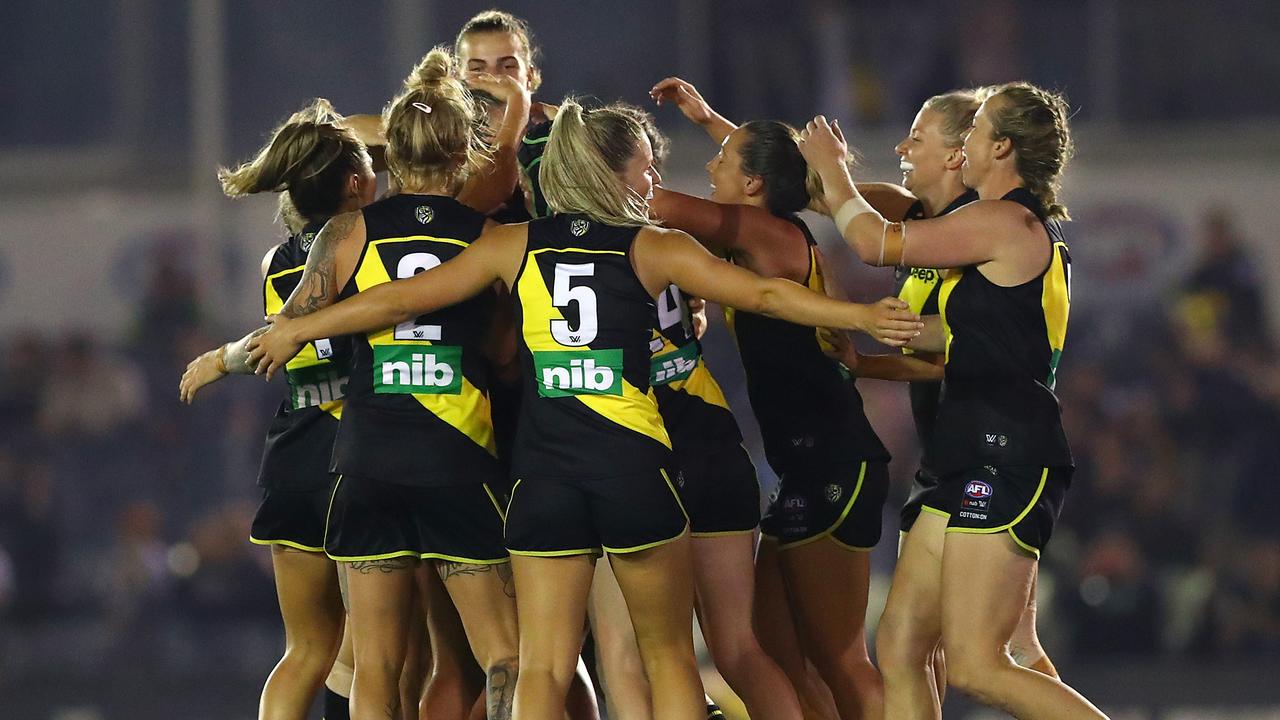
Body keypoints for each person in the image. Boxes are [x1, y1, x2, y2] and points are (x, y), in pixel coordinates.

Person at [245, 99, 921, 720]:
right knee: (668, 658)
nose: (656, 180)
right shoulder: (655, 246)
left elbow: (402, 299)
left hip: (546, 481)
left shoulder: (514, 246)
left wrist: (297, 327)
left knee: (542, 664)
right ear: (614, 174)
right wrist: (854, 312)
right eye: (647, 167)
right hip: (633, 473)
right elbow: (766, 297)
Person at [800, 82, 1107, 720]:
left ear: (1001, 147)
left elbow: (876, 243)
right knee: (904, 646)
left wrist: (832, 169)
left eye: (976, 130)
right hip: (962, 454)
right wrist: (869, 352)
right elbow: (958, 341)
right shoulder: (988, 226)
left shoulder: (1003, 221)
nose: (965, 141)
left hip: (1005, 452)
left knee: (977, 664)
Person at [250, 49, 528, 720]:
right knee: (506, 656)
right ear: (463, 156)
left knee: (376, 663)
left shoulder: (348, 231)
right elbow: (506, 348)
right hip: (455, 459)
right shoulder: (492, 237)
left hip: (367, 458)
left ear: (392, 157)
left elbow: (294, 324)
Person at [650, 76, 892, 720]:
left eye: (722, 161)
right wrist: (707, 120)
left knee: (842, 660)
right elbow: (767, 166)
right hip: (804, 464)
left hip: (835, 459)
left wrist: (577, 155)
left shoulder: (764, 235)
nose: (711, 165)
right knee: (781, 656)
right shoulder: (775, 226)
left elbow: (654, 203)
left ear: (753, 184)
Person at [177, 98, 376, 720]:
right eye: (372, 166)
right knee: (376, 657)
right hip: (357, 456)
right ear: (353, 183)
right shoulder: (362, 242)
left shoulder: (274, 261)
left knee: (307, 649)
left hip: (294, 456)